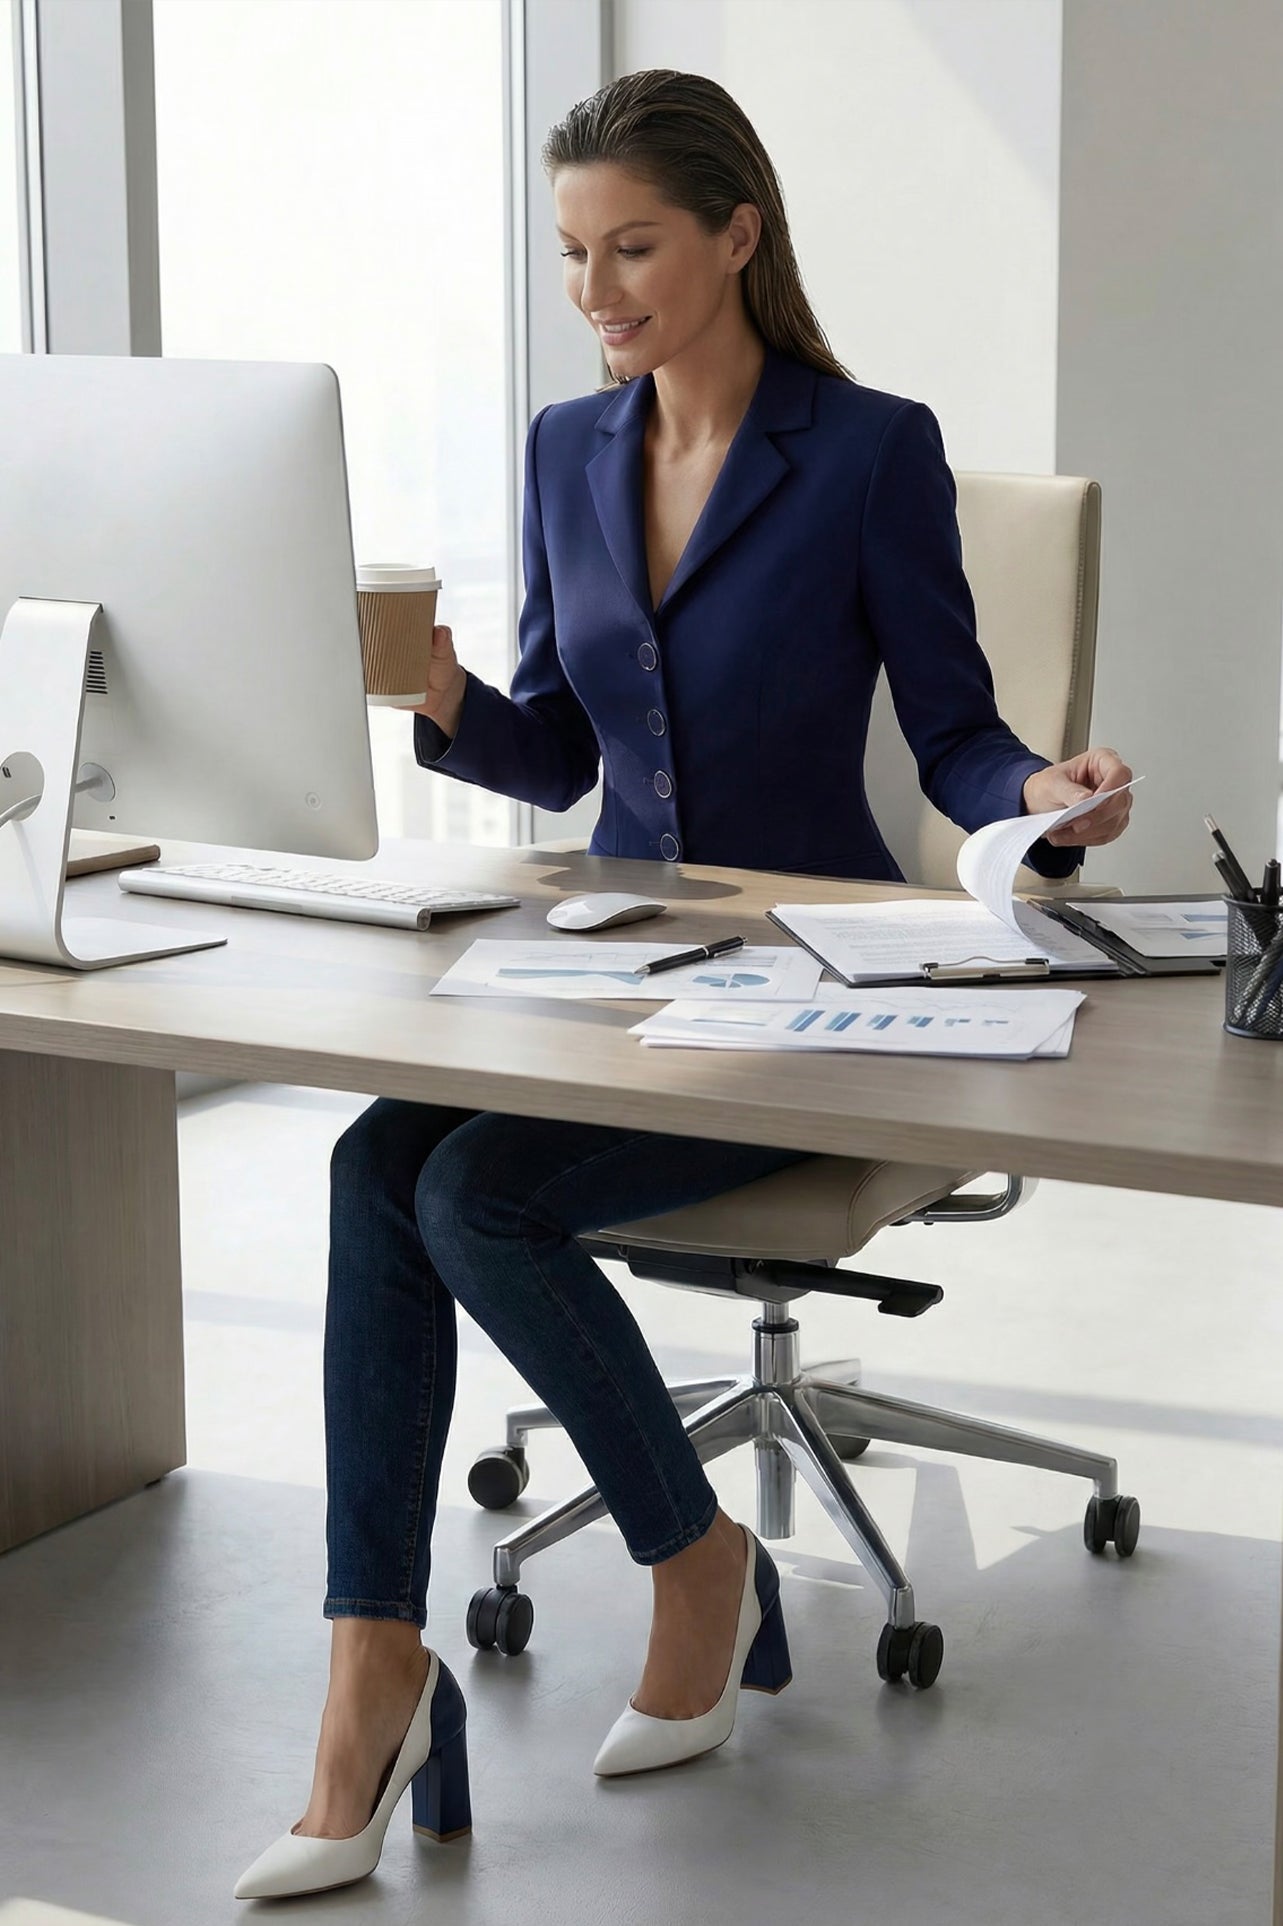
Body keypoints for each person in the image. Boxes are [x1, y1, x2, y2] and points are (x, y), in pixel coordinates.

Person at [234, 67, 1133, 1901]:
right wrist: (441, 702)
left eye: (631, 246)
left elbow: (953, 733)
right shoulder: (573, 450)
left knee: (476, 1191)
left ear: (736, 233)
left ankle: (689, 1556)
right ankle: (371, 1661)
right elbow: (566, 753)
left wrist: (1035, 801)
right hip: (608, 960)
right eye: (574, 253)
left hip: (809, 984)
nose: (596, 290)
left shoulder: (868, 448)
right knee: (362, 1171)